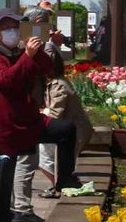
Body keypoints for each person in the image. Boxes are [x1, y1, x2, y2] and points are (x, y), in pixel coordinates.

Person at [0, 10, 77, 222]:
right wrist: (27, 56)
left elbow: (48, 68)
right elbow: (8, 79)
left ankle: (65, 179)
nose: (12, 32)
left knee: (65, 130)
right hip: (5, 126)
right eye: (6, 28)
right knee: (11, 172)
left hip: (29, 120)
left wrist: (37, 49)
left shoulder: (21, 53)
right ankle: (14, 214)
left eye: (16, 27)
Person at [38, 49, 93, 196]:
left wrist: (41, 112)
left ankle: (58, 184)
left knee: (43, 152)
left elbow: (55, 113)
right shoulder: (56, 81)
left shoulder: (58, 85)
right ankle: (59, 183)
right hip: (71, 128)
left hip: (74, 130)